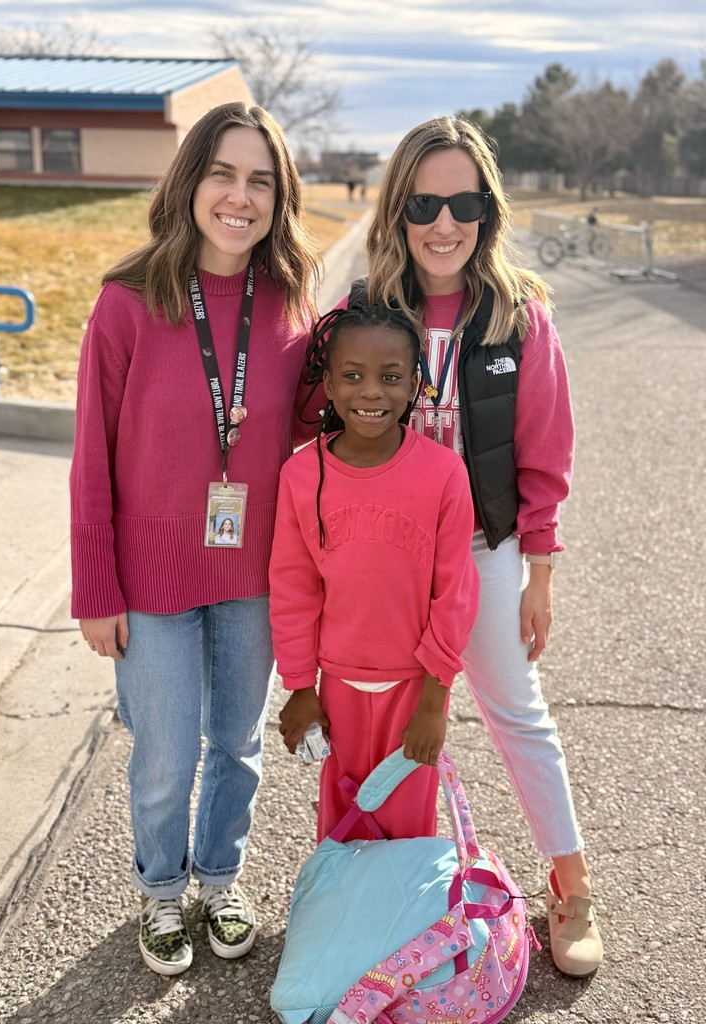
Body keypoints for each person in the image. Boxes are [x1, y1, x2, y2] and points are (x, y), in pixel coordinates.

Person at [70, 100, 320, 976]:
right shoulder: (128, 301)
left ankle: (221, 878)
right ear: (191, 182)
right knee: (168, 754)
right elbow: (90, 459)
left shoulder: (291, 304)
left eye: (260, 179)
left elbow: (317, 427)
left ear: (279, 196)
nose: (239, 196)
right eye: (223, 172)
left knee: (239, 745)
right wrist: (95, 589)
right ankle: (162, 892)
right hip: (149, 578)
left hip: (251, 572)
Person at [354, 114, 604, 977]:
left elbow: (546, 448)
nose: (443, 221)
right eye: (425, 201)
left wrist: (539, 571)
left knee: (515, 713)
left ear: (487, 209)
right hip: (388, 555)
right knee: (389, 720)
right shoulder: (367, 309)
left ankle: (570, 881)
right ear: (399, 209)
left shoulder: (520, 313)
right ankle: (399, 887)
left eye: (463, 200)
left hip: (484, 548)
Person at [269, 300, 479, 843]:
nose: (370, 392)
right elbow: (293, 588)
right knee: (342, 824)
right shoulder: (300, 475)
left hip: (413, 687)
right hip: (336, 685)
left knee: (408, 826)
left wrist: (435, 704)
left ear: (414, 385)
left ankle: (407, 929)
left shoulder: (443, 473)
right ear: (331, 387)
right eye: (353, 376)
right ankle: (344, 928)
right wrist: (300, 686)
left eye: (389, 377)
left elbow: (453, 594)